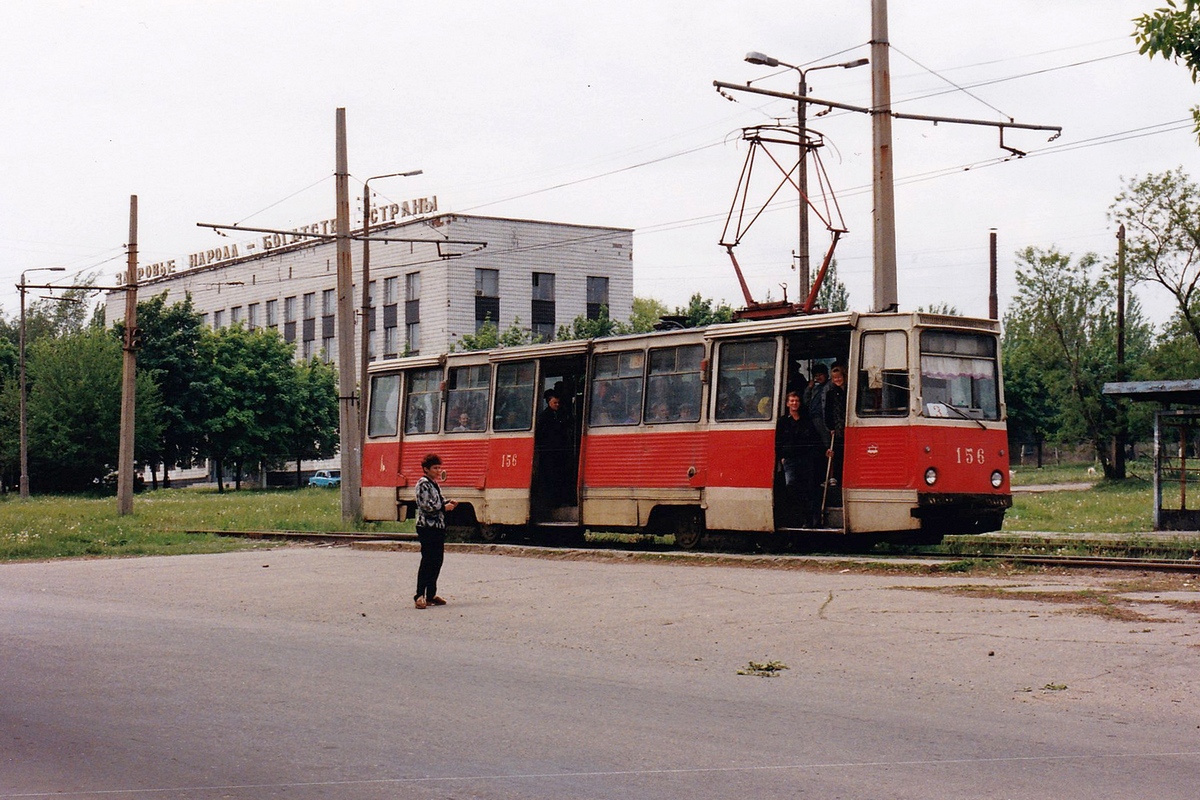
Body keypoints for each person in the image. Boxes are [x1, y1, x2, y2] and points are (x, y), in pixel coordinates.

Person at [414, 453, 457, 609]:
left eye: (439, 467)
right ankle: (419, 595)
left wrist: (448, 502)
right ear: (426, 469)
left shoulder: (434, 484)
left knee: (437, 561)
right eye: (435, 468)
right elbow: (426, 506)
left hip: (438, 527)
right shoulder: (423, 484)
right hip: (427, 527)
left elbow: (436, 501)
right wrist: (444, 507)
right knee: (427, 561)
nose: (438, 470)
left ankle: (431, 594)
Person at [775, 389, 823, 527]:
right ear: (787, 404)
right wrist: (781, 457)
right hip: (790, 459)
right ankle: (800, 517)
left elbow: (815, 438)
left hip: (806, 459)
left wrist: (823, 451)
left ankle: (809, 520)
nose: (794, 403)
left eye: (797, 401)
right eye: (792, 401)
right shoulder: (783, 421)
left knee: (808, 487)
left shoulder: (806, 420)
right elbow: (778, 441)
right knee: (791, 486)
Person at [535, 389, 575, 506]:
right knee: (551, 477)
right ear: (548, 403)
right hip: (549, 452)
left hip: (560, 451)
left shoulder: (561, 413)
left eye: (558, 403)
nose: (557, 405)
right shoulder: (544, 416)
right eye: (555, 403)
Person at [823, 363, 848, 505]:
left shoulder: (849, 390)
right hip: (837, 428)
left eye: (839, 377)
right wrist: (830, 427)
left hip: (847, 426)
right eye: (835, 378)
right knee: (837, 453)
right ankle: (836, 477)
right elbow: (827, 411)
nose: (837, 380)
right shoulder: (831, 393)